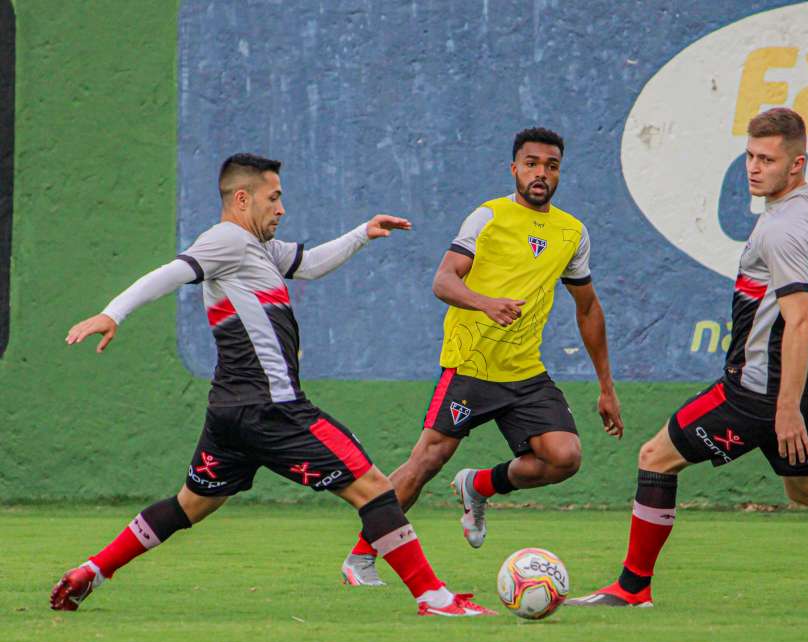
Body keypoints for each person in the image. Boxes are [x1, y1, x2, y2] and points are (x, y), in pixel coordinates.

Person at [50, 153, 494, 617]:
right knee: (375, 488)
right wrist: (112, 313)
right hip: (273, 409)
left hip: (230, 415)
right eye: (274, 198)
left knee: (190, 506)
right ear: (242, 199)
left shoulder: (256, 249)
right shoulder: (225, 240)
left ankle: (92, 571)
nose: (281, 208)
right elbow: (170, 274)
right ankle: (433, 597)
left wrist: (363, 233)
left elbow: (312, 263)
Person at [567, 108, 808, 610]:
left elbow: (797, 320)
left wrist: (786, 405)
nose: (753, 168)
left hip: (758, 392)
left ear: (797, 164)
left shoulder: (781, 231)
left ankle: (631, 587)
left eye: (767, 159)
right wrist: (806, 361)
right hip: (807, 379)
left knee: (654, 458)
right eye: (750, 156)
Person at [341, 128, 625, 585]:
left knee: (564, 456)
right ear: (514, 168)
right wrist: (486, 303)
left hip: (525, 371)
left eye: (551, 166)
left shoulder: (572, 233)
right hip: (471, 364)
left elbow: (588, 307)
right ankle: (360, 555)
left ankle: (479, 485)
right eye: (531, 163)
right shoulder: (487, 217)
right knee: (427, 461)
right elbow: (443, 280)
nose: (541, 173)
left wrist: (606, 388)